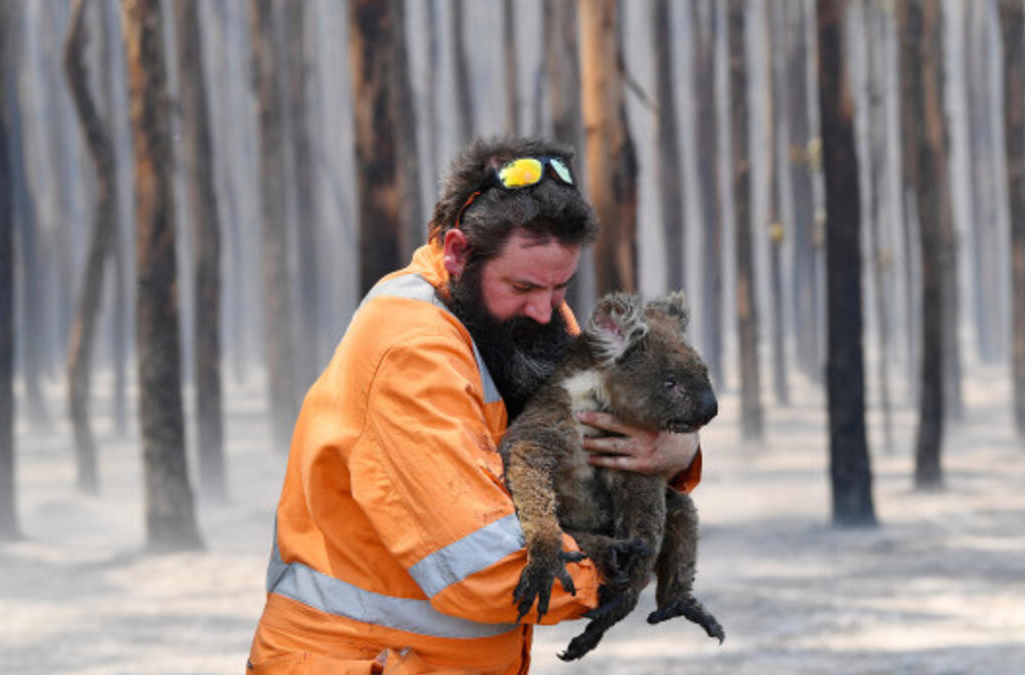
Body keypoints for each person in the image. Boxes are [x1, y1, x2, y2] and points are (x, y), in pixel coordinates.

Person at [247, 138, 703, 674]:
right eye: (523, 285)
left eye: (561, 287)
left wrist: (678, 447)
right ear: (458, 252)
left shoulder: (529, 325)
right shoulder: (409, 350)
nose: (545, 309)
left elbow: (615, 434)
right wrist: (623, 562)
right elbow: (484, 569)